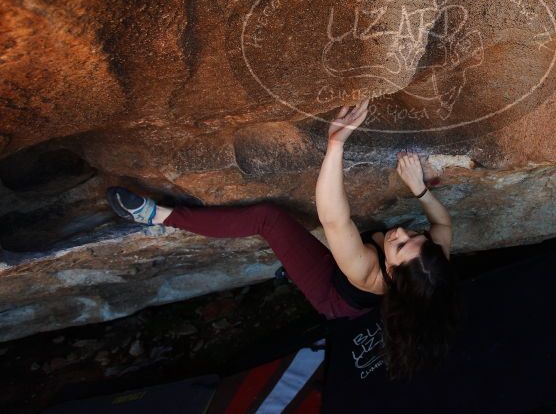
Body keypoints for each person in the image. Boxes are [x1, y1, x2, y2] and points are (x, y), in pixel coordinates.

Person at [106, 100, 458, 379]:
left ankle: (158, 216)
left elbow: (334, 219)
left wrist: (335, 145)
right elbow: (442, 224)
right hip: (371, 279)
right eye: (413, 234)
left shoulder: (366, 271)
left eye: (398, 245)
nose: (400, 233)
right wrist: (420, 189)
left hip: (333, 295)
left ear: (393, 274)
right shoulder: (429, 260)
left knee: (267, 219)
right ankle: (292, 268)